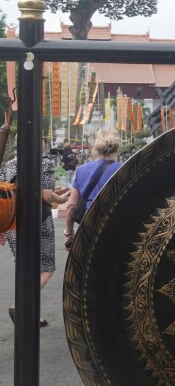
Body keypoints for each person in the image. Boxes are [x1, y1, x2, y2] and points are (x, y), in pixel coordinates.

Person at [1, 138, 71, 327]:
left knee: (24, 267)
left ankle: (30, 314)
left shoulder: (8, 165)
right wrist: (62, 197)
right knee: (46, 269)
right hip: (39, 220)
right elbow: (47, 195)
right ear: (41, 146)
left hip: (13, 222)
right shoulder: (44, 162)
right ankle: (21, 306)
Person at [64, 128, 122, 245]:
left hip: (88, 228)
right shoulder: (124, 169)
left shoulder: (81, 170)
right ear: (117, 148)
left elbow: (71, 206)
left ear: (96, 147)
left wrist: (69, 234)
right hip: (116, 228)